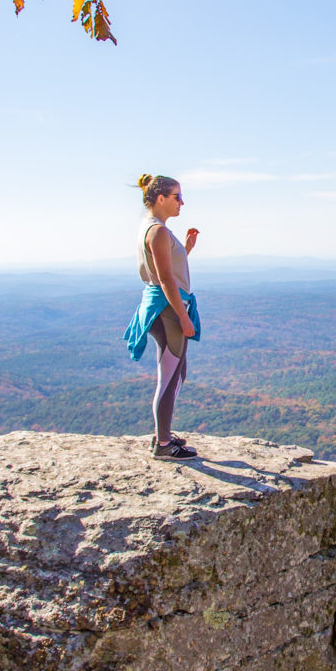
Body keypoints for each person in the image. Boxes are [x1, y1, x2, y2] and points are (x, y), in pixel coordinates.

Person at [123, 173, 201, 459]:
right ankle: (164, 444)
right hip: (167, 309)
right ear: (160, 198)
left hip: (163, 305)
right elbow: (166, 279)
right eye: (176, 196)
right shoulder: (158, 231)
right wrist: (183, 316)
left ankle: (163, 433)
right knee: (168, 376)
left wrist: (187, 249)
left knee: (177, 372)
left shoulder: (153, 228)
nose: (182, 202)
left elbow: (167, 270)